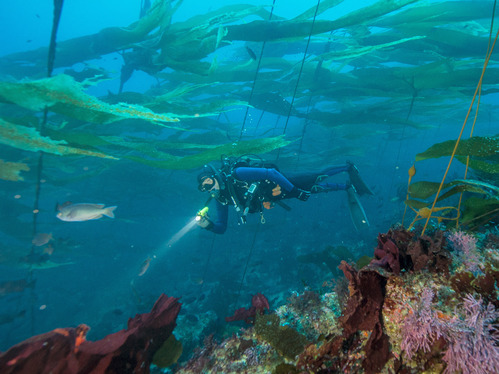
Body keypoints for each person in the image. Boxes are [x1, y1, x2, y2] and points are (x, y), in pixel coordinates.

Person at [196, 156, 373, 234]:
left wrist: (294, 192)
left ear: (215, 176)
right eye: (205, 188)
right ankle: (346, 186)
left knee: (316, 177)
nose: (210, 189)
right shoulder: (221, 199)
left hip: (280, 181)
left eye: (209, 183)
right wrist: (207, 225)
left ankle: (349, 167)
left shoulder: (237, 174)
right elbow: (221, 228)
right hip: (273, 196)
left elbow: (271, 174)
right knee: (314, 189)